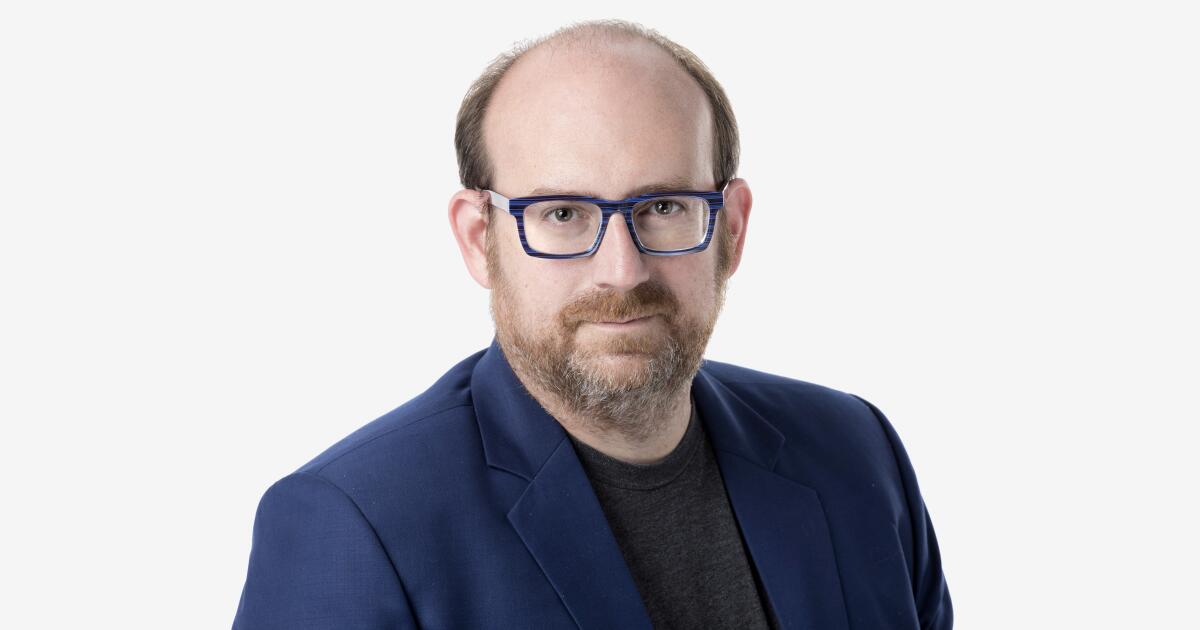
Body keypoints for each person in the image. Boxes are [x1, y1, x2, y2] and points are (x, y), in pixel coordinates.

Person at [232, 18, 952, 630]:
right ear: (479, 239)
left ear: (731, 229)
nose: (622, 270)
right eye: (563, 214)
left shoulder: (857, 454)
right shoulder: (352, 528)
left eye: (664, 207)